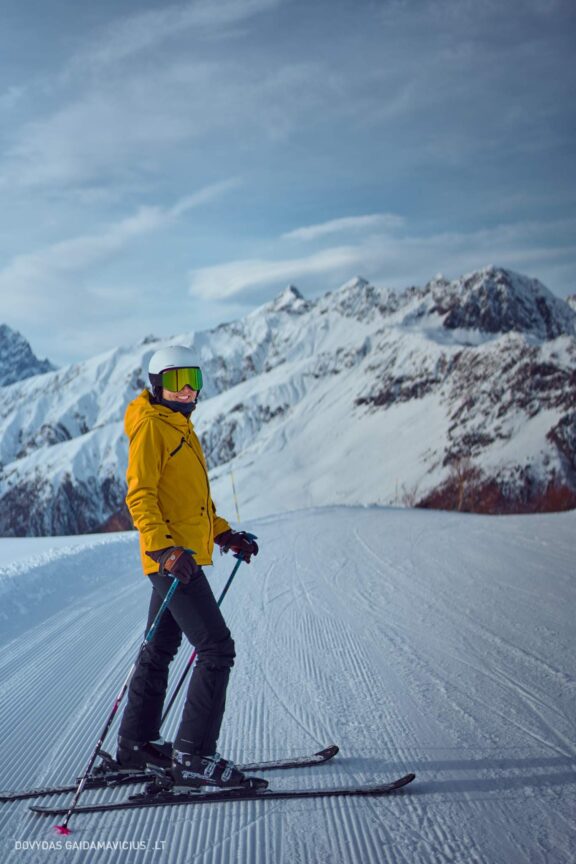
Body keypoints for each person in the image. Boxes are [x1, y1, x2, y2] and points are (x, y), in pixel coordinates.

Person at [116, 346, 260, 790]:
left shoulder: (179, 426)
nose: (186, 390)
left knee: (159, 649)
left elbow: (192, 503)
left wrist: (222, 533)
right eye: (177, 381)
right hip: (172, 559)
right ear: (157, 384)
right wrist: (163, 550)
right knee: (216, 647)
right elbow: (140, 497)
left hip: (179, 557)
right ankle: (193, 755)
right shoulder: (152, 428)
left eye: (193, 380)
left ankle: (135, 746)